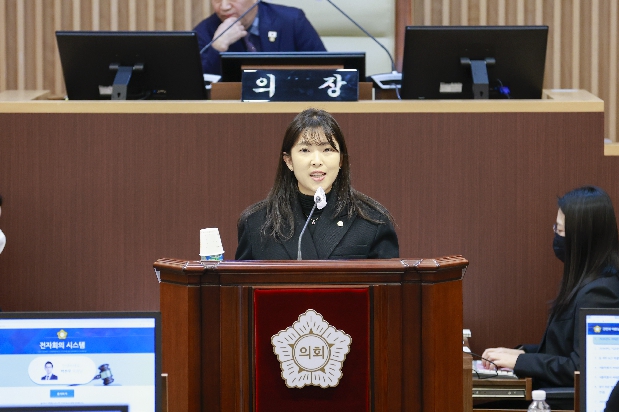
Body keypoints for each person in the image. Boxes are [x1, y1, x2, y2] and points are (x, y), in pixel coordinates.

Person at [481, 186, 619, 407]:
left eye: (560, 230)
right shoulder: (585, 282)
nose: (555, 235)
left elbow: (581, 368)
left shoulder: (600, 292)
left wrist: (521, 361)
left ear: (580, 238)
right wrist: (521, 352)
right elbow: (563, 349)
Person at [235, 108, 399, 260]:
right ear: (289, 161)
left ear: (341, 160)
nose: (316, 161)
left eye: (327, 150)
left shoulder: (372, 220)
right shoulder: (256, 222)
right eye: (305, 150)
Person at [194, 0, 326, 75]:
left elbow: (326, 70)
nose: (224, 7)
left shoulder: (292, 21)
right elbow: (199, 89)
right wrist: (217, 47)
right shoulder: (204, 31)